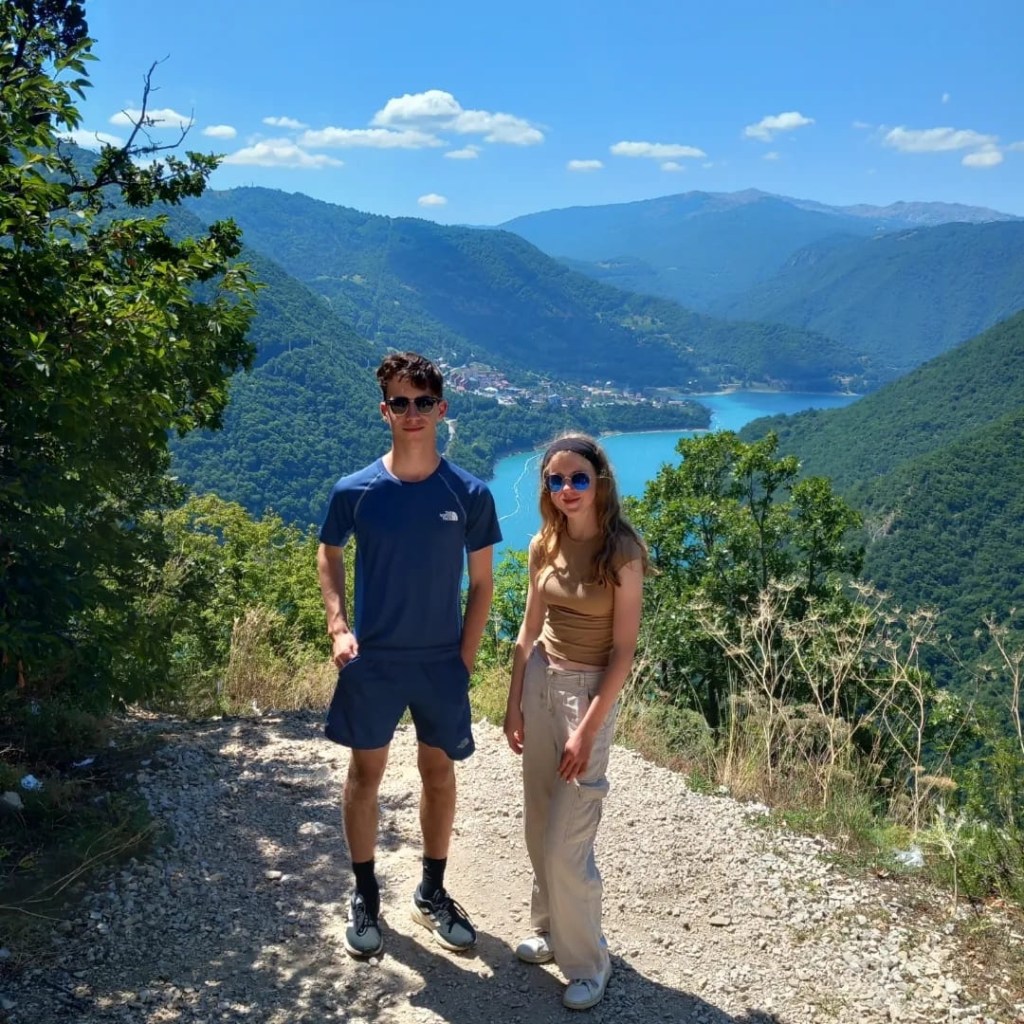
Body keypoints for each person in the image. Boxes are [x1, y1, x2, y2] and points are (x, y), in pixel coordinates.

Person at [317, 351, 501, 959]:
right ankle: (365, 894)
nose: (413, 412)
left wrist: (464, 659)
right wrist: (338, 627)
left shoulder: (468, 493)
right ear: (385, 411)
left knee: (439, 773)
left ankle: (431, 892)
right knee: (364, 775)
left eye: (423, 402)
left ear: (441, 409)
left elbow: (482, 585)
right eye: (401, 402)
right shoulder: (356, 490)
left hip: (440, 662)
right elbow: (328, 552)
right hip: (374, 661)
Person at [503, 433, 647, 1011]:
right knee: (539, 821)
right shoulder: (544, 544)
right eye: (556, 479)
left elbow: (624, 652)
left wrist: (588, 728)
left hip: (587, 693)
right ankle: (547, 927)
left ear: (599, 483)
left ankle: (589, 962)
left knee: (568, 837)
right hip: (541, 681)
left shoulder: (622, 552)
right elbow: (527, 629)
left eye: (578, 478)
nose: (567, 488)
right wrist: (513, 701)